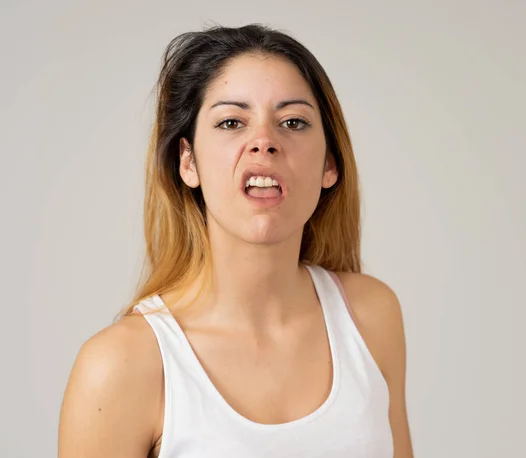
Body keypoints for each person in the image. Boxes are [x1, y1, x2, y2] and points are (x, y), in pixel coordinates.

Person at [58, 23, 414, 458]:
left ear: (330, 165)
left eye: (293, 122)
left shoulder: (372, 317)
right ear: (188, 163)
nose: (264, 141)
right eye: (231, 122)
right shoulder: (120, 366)